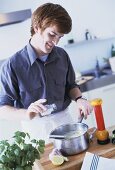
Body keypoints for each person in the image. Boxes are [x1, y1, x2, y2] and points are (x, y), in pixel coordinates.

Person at [0, 3, 92, 142]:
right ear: (37, 27)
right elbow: (3, 108)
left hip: (65, 122)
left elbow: (71, 86)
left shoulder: (62, 56)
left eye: (60, 37)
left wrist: (80, 99)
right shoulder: (12, 65)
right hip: (36, 129)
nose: (55, 42)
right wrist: (27, 113)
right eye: (52, 34)